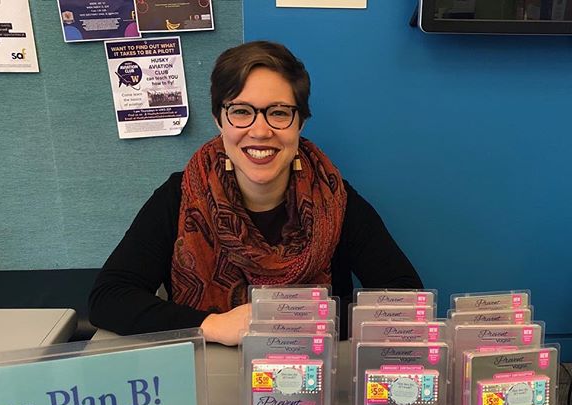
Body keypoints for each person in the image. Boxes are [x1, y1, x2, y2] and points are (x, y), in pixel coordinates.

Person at [89, 41, 422, 344]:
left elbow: (406, 297)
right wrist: (211, 325)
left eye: (279, 113)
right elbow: (109, 297)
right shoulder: (180, 195)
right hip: (207, 377)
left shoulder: (333, 199)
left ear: (300, 123)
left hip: (311, 376)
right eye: (241, 111)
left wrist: (290, 321)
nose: (260, 131)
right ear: (220, 120)